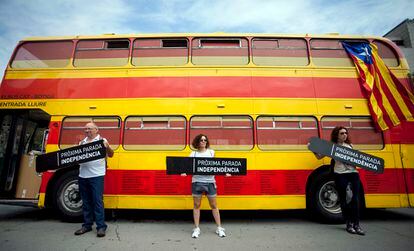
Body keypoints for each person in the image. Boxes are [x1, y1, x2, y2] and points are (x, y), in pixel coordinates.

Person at [312, 126, 365, 235]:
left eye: (346, 133)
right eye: (342, 133)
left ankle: (357, 225)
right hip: (340, 174)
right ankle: (349, 224)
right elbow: (319, 157)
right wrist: (313, 148)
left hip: (353, 174)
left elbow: (356, 161)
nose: (345, 135)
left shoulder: (350, 146)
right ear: (336, 135)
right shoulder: (332, 147)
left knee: (355, 200)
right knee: (344, 200)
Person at [182, 134, 227, 238]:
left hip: (210, 182)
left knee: (214, 205)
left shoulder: (211, 152)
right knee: (196, 205)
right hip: (197, 182)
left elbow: (217, 166)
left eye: (205, 140)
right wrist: (184, 172)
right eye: (201, 140)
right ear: (197, 142)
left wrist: (225, 172)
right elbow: (187, 167)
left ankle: (219, 227)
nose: (203, 141)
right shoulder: (193, 154)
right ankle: (196, 228)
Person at [74, 122, 114, 238]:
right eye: (85, 129)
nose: (87, 131)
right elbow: (77, 159)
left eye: (90, 128)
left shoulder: (102, 141)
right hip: (83, 175)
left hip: (97, 175)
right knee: (86, 202)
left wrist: (108, 147)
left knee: (97, 201)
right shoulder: (82, 142)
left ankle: (101, 227)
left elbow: (111, 155)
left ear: (96, 130)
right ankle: (87, 225)